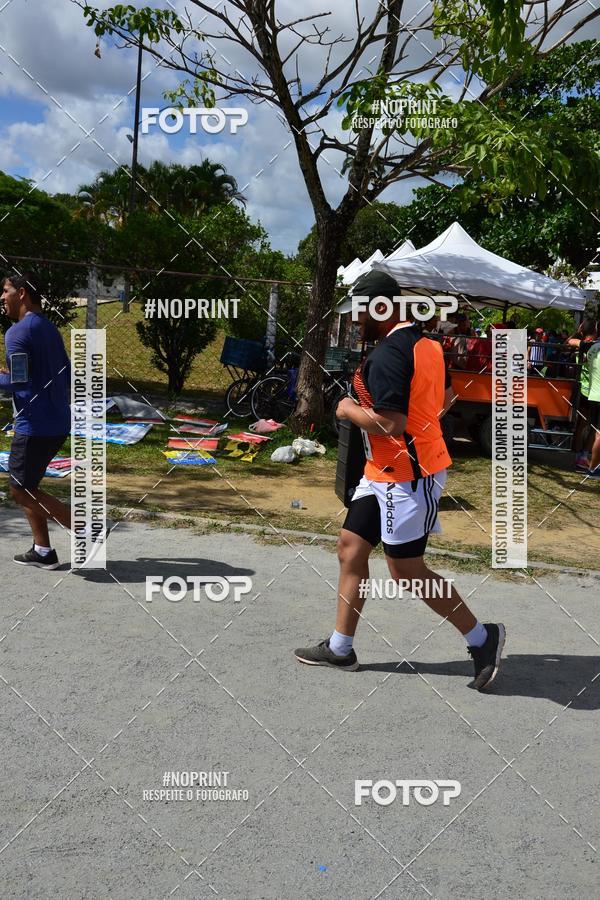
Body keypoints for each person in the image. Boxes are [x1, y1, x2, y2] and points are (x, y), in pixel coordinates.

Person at [294, 284, 506, 692]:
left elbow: (390, 423)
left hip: (410, 476)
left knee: (407, 570)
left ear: (382, 307)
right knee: (351, 548)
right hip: (382, 471)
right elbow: (446, 397)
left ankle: (483, 638)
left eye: (360, 310)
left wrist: (345, 408)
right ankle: (341, 647)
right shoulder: (427, 343)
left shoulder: (390, 354)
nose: (355, 319)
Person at [0, 273, 71, 568]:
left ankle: (84, 526)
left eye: (5, 291)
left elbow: (17, 383)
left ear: (23, 293)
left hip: (34, 424)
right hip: (57, 422)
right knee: (30, 485)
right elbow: (63, 374)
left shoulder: (17, 333)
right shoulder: (49, 329)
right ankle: (43, 551)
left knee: (19, 490)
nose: (2, 298)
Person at [567, 319, 598, 471]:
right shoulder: (594, 346)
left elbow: (569, 341)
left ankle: (576, 456)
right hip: (594, 390)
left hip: (581, 389)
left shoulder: (580, 345)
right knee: (593, 428)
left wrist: (578, 332)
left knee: (580, 425)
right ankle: (584, 456)